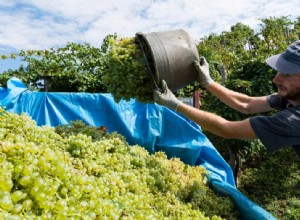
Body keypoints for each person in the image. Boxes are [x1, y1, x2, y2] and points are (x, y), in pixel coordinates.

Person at [153, 41, 300, 157]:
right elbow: (247, 104)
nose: (276, 79)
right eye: (279, 71)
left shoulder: (294, 120)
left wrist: (176, 104)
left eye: (288, 75)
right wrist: (209, 82)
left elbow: (227, 129)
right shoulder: (291, 97)